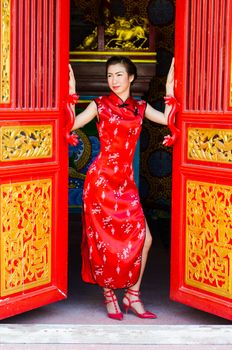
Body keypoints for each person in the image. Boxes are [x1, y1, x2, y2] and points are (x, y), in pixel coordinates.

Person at [69, 55, 174, 321]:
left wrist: (170, 87)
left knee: (145, 239)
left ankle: (132, 295)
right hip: (100, 183)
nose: (113, 81)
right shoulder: (99, 105)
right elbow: (70, 124)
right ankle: (109, 296)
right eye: (109, 76)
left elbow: (168, 120)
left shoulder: (140, 107)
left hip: (125, 185)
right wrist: (71, 92)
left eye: (118, 75)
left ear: (131, 78)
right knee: (103, 244)